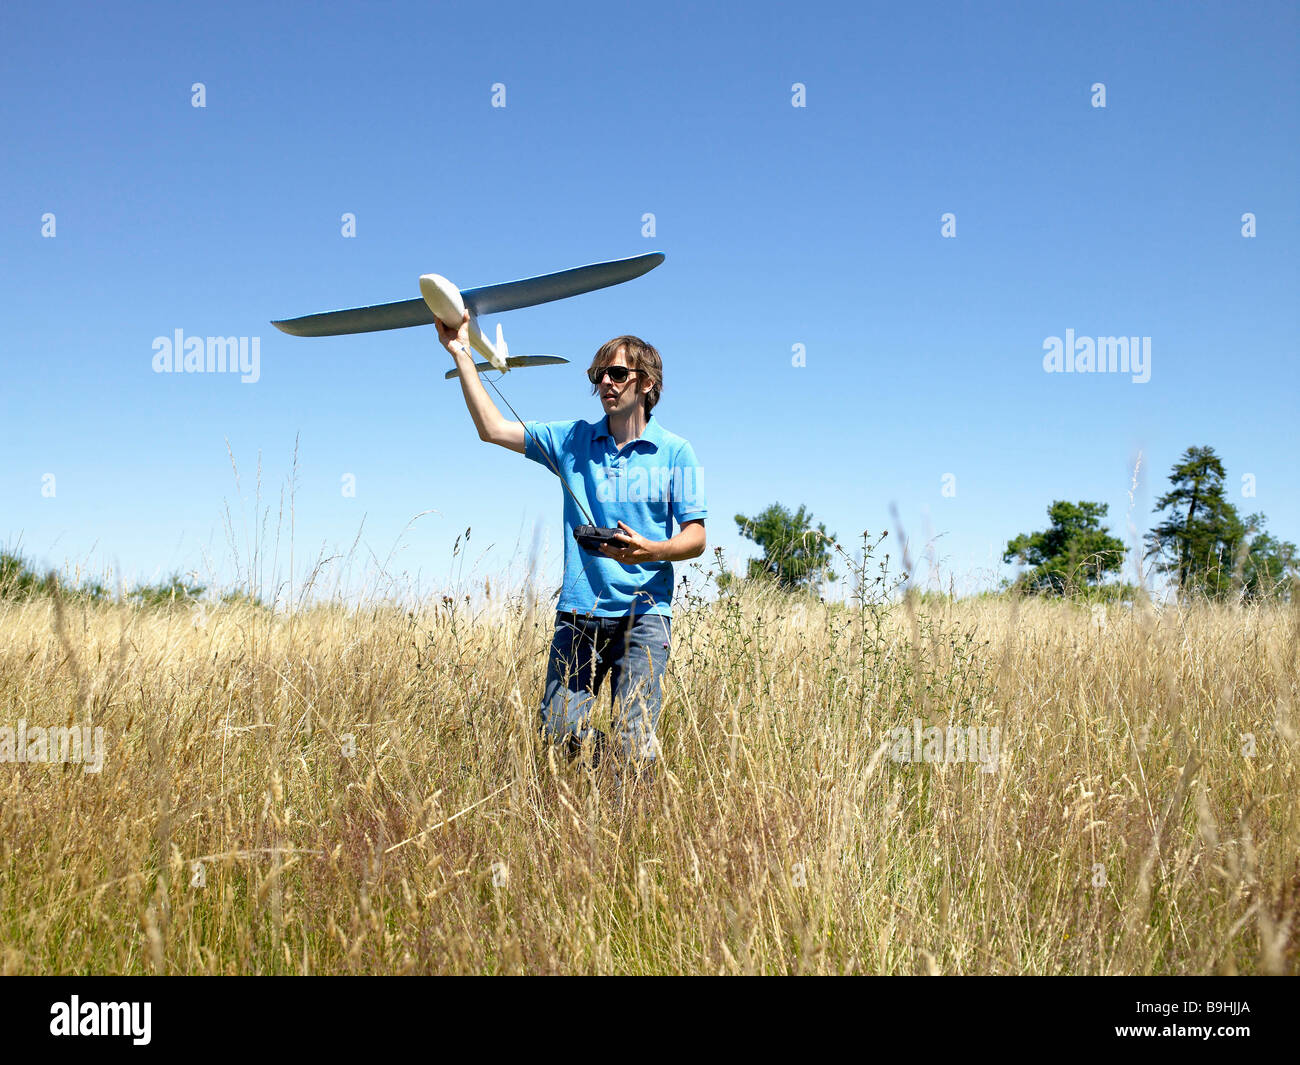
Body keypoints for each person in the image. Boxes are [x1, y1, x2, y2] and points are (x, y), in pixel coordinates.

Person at [436, 311, 706, 783]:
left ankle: (627, 825)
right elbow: (492, 428)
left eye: (618, 373)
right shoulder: (573, 440)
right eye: (598, 373)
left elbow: (696, 536)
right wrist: (460, 351)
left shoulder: (676, 452)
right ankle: (603, 766)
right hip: (580, 612)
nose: (605, 381)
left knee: (634, 740)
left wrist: (652, 550)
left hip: (645, 615)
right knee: (558, 732)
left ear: (647, 383)